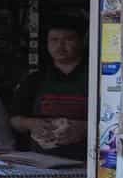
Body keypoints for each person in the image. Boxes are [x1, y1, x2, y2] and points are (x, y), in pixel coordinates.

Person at [11, 17, 89, 159]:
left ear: (82, 41)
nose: (60, 46)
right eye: (54, 40)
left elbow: (115, 122)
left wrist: (86, 128)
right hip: (42, 160)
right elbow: (14, 120)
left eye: (68, 39)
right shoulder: (35, 79)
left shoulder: (97, 78)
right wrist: (31, 124)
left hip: (87, 161)